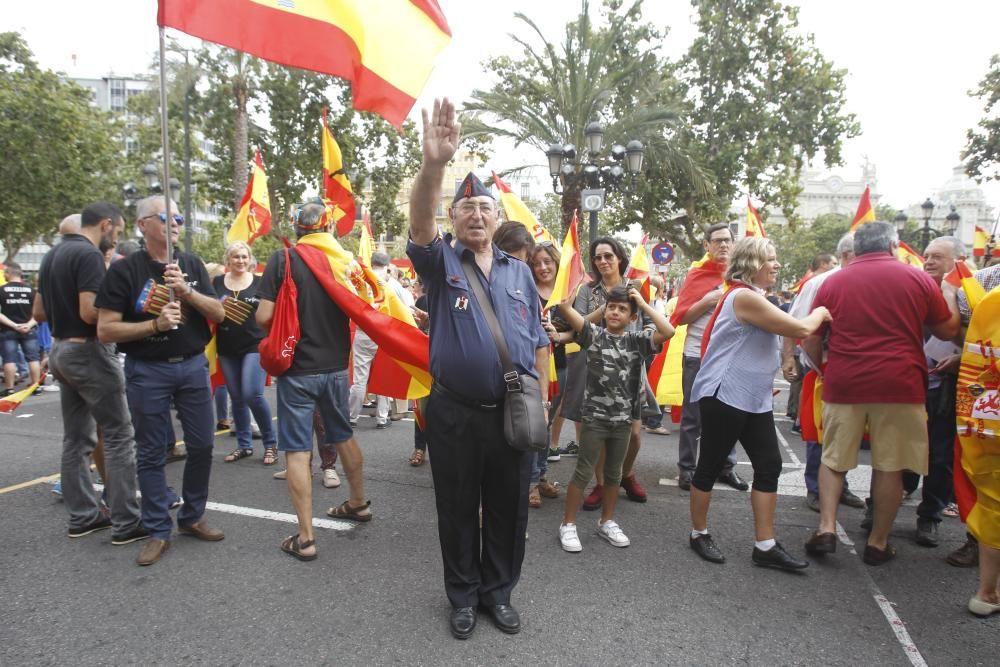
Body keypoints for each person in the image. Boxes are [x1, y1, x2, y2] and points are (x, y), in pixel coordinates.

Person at [407, 98, 549, 639]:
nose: (475, 214)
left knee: (511, 509)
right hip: (454, 412)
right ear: (454, 217)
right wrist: (434, 165)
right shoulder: (441, 262)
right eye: (465, 208)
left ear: (497, 217)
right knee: (458, 507)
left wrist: (542, 396)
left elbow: (536, 340)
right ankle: (462, 595)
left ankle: (498, 592)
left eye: (484, 208)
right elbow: (420, 225)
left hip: (510, 409)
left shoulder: (519, 273)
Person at [802, 222, 959, 566]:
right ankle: (878, 541)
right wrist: (948, 293)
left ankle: (826, 527)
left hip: (845, 381)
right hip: (900, 384)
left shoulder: (834, 281)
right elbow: (946, 328)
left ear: (856, 248)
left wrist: (823, 368)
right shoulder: (916, 278)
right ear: (893, 245)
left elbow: (812, 335)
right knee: (891, 465)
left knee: (833, 458)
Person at [96, 196, 227, 566]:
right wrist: (155, 324)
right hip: (146, 369)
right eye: (166, 217)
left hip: (192, 366)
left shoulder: (191, 265)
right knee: (152, 452)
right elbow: (106, 329)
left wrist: (187, 292)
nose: (176, 223)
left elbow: (219, 312)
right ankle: (157, 528)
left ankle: (192, 516)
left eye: (180, 217)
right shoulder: (124, 271)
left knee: (202, 445)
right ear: (143, 225)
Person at [687, 237, 829, 570]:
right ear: (753, 264)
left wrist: (787, 357)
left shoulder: (756, 297)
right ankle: (698, 534)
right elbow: (798, 326)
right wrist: (821, 310)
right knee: (709, 466)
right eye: (772, 259)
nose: (777, 265)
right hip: (724, 394)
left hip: (754, 397)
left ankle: (764, 545)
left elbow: (781, 334)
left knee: (769, 465)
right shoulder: (743, 297)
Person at [257, 202, 371, 562]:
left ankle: (306, 538)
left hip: (297, 370)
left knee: (297, 449)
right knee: (343, 434)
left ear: (297, 227)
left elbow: (264, 315)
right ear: (328, 229)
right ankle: (358, 502)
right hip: (337, 367)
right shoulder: (343, 262)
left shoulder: (284, 259)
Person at [34, 202, 145, 544]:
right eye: (118, 231)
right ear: (106, 224)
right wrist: (129, 314)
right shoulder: (87, 256)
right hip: (88, 351)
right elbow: (89, 311)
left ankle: (83, 516)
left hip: (60, 350)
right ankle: (127, 521)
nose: (116, 239)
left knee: (77, 439)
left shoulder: (51, 256)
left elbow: (39, 312)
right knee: (118, 435)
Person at [556, 285, 673, 552]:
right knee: (584, 471)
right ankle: (568, 524)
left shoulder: (638, 340)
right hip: (595, 419)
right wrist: (569, 303)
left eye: (622, 309)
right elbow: (568, 312)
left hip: (622, 420)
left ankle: (606, 521)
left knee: (614, 475)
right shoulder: (594, 335)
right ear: (604, 310)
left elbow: (669, 331)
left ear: (632, 317)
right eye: (612, 307)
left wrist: (643, 305)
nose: (615, 312)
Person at [560, 236, 653, 510]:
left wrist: (646, 338)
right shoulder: (588, 291)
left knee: (633, 433)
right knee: (600, 433)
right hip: (597, 369)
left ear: (619, 258)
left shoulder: (634, 288)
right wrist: (604, 310)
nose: (603, 261)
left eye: (608, 256)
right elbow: (578, 326)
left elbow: (648, 321)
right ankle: (602, 484)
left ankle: (625, 474)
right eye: (598, 257)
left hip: (632, 368)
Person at [781, 234, 864, 512]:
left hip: (858, 373)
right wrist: (791, 357)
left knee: (848, 433)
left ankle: (841, 487)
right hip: (822, 370)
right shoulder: (819, 283)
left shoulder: (868, 282)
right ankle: (816, 488)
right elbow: (796, 324)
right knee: (820, 431)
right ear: (846, 255)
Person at [673, 224, 748, 492]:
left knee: (729, 416)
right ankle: (687, 469)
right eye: (717, 241)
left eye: (728, 240)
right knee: (693, 417)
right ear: (707, 245)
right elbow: (682, 317)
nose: (724, 246)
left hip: (730, 358)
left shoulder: (741, 275)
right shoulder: (697, 275)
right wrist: (710, 299)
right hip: (696, 355)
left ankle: (726, 467)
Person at [494, 222, 560, 507]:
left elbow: (540, 344)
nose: (519, 267)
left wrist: (543, 402)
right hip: (485, 390)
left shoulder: (527, 288)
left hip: (523, 387)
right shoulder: (480, 281)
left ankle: (525, 491)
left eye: (524, 262)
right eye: (513, 259)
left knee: (525, 444)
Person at [914, 236, 965, 548]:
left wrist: (960, 358)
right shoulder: (913, 287)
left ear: (957, 262)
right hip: (910, 385)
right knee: (900, 451)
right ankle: (881, 508)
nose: (929, 261)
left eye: (937, 257)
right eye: (927, 256)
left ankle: (929, 516)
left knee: (940, 455)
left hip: (945, 388)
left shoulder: (969, 295)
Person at [213, 241, 278, 466]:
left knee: (252, 393)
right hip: (227, 346)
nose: (240, 261)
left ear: (250, 260)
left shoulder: (260, 283)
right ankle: (244, 445)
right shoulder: (217, 282)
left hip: (254, 345)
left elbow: (271, 314)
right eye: (236, 257)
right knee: (237, 397)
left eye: (244, 257)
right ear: (228, 260)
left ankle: (270, 444)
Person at [348, 252, 397, 430]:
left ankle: (352, 416)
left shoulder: (360, 282)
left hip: (364, 332)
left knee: (360, 378)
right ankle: (381, 418)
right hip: (384, 333)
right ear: (387, 265)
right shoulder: (390, 284)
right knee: (384, 376)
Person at [0, 262, 41, 394]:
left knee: (9, 359)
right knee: (33, 358)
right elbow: (39, 312)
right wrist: (28, 325)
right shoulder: (31, 290)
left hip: (8, 329)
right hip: (28, 329)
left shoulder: (2, 290)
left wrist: (14, 325)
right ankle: (36, 386)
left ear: (8, 273)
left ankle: (10, 388)